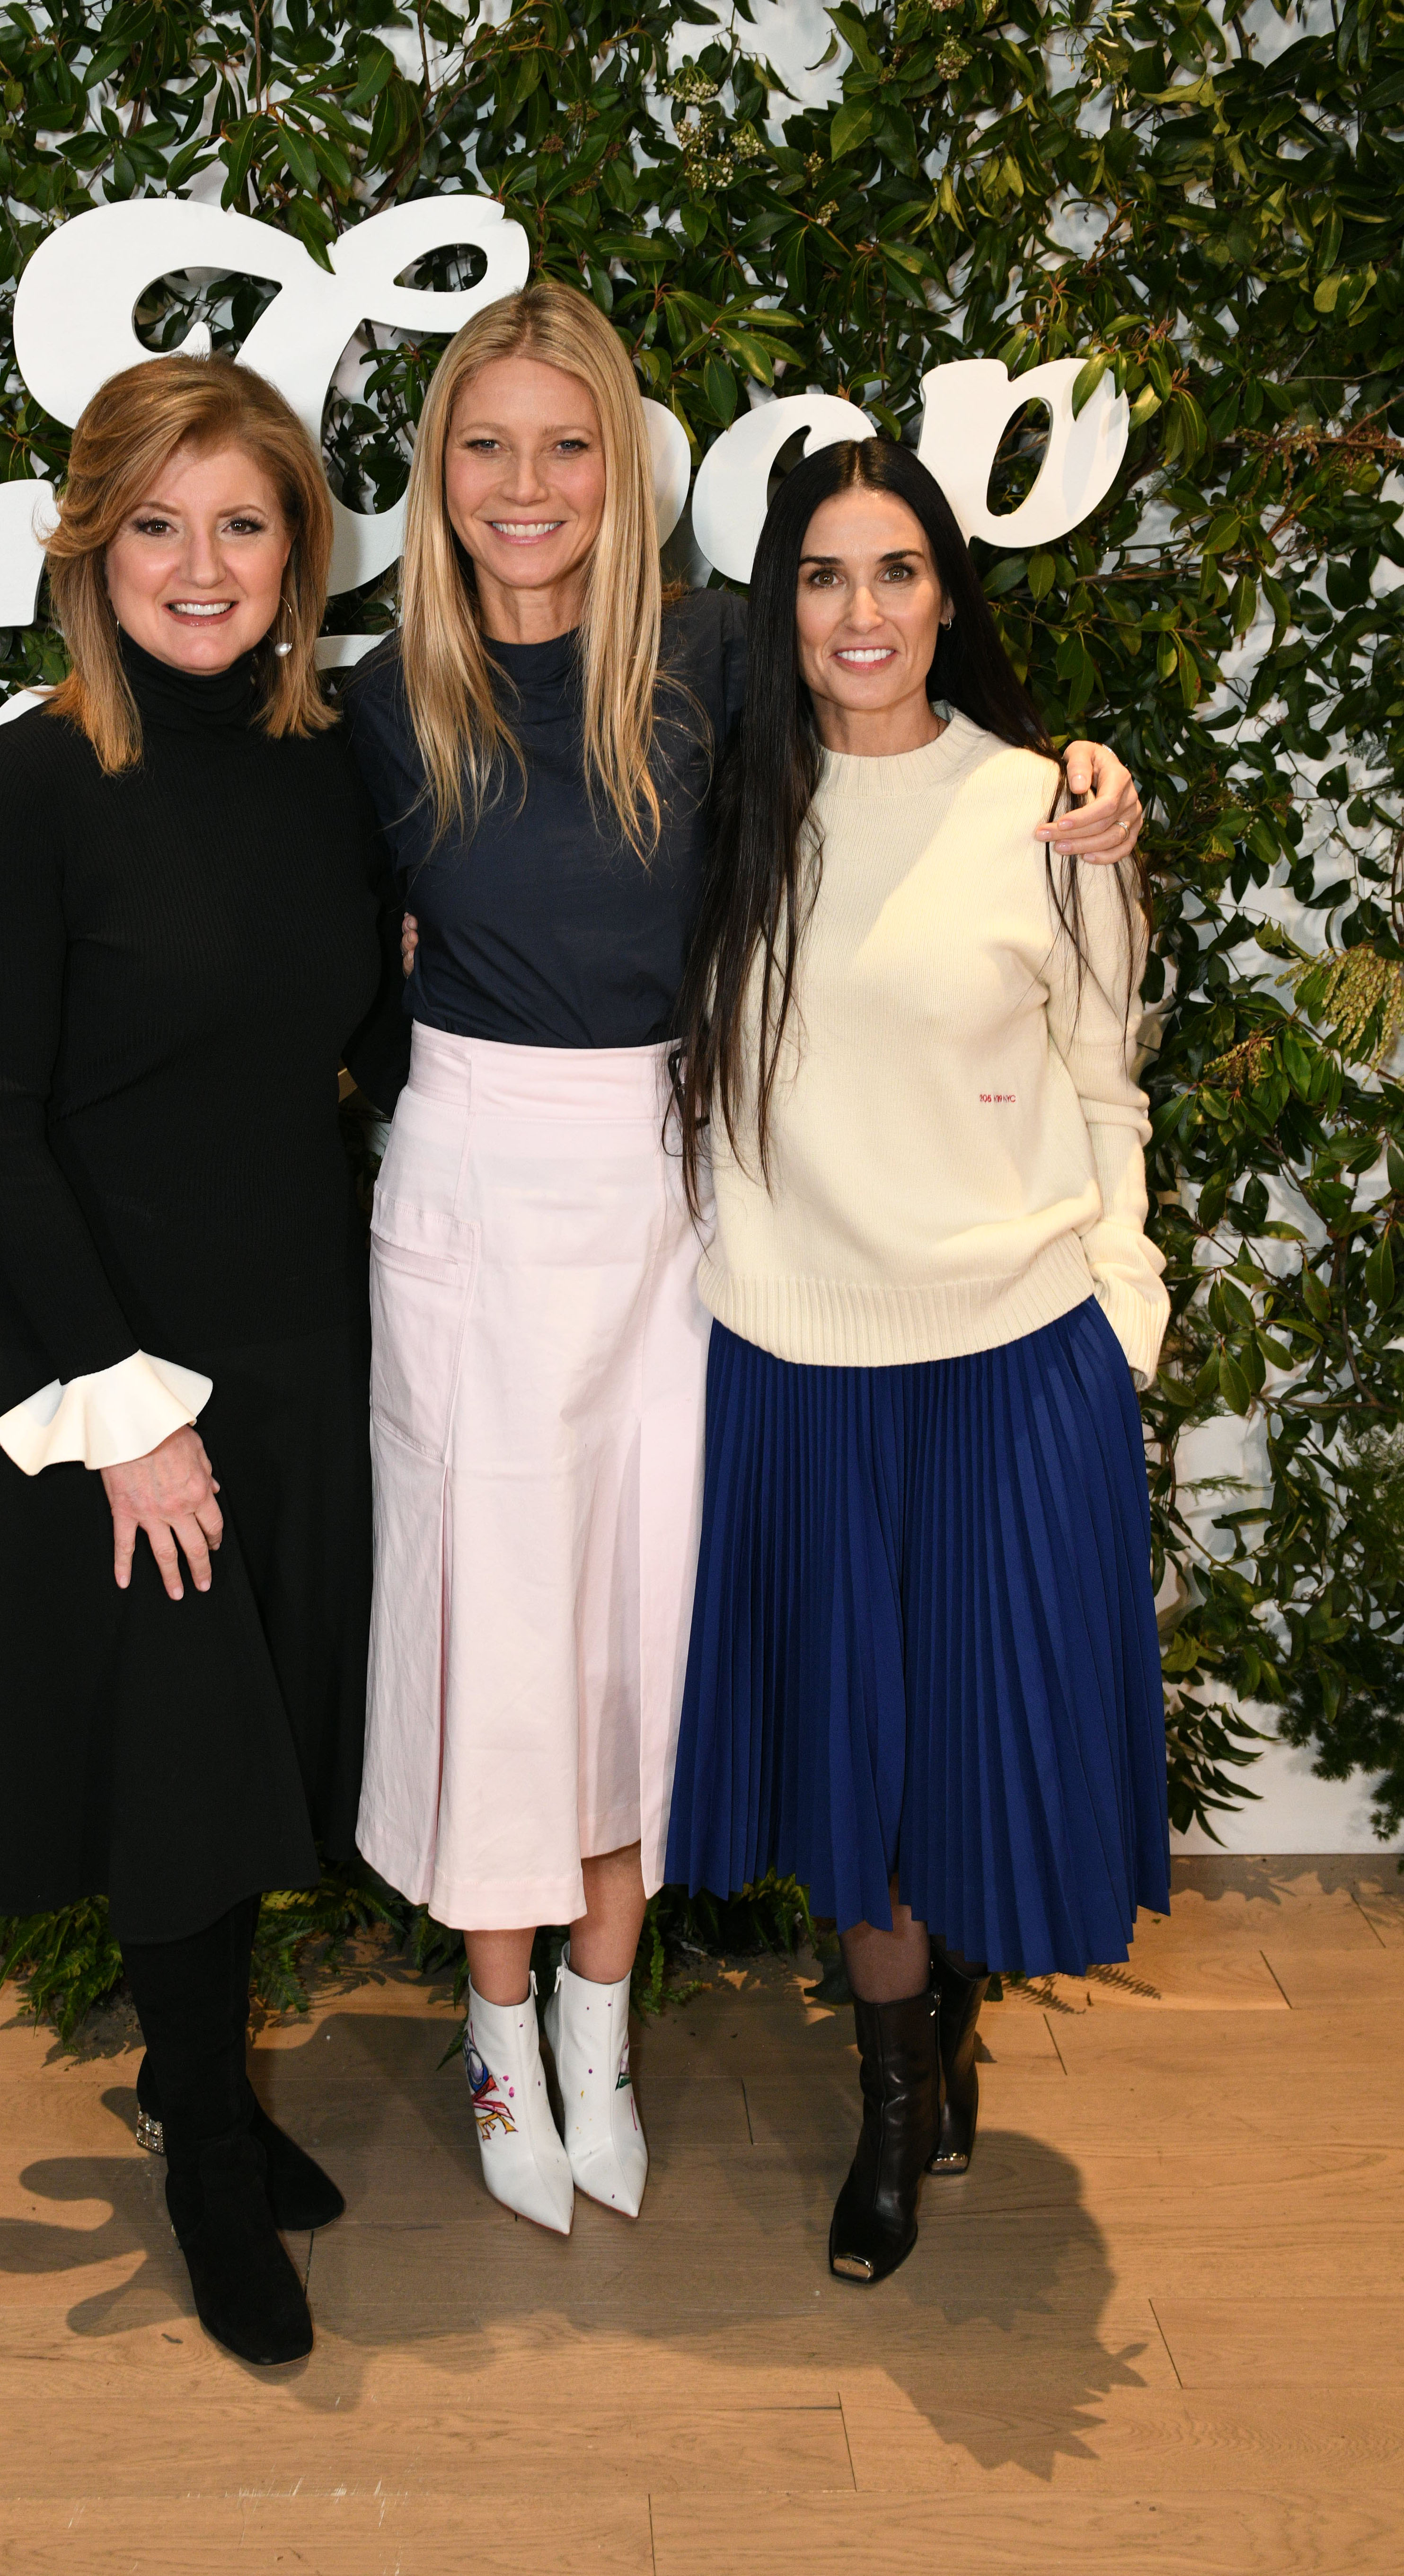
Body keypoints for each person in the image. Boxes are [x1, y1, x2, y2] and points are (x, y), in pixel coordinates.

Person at [345, 280, 1147, 2236]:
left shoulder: (707, 663)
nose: (526, 484)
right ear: (437, 474)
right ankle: (495, 2038)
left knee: (634, 1640)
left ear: (620, 470)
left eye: (566, 444)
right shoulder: (368, 699)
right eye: (485, 443)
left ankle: (609, 2037)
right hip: (473, 1199)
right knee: (489, 1643)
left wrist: (1083, 784)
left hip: (668, 1217)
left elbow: (927, 819)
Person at [0, 353, 408, 2366]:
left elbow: (344, 1024)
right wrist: (125, 1422)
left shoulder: (329, 755)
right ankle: (202, 2130)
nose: (202, 566)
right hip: (112, 1365)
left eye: (244, 522)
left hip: (296, 1327)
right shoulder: (34, 780)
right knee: (184, 1767)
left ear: (300, 550)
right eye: (159, 525)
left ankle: (207, 2079)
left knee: (255, 1736)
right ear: (91, 548)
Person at [667, 435, 1170, 2288]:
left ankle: (945, 2013)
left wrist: (1120, 1303)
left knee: (967, 1748)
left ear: (948, 594)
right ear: (776, 609)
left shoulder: (1046, 808)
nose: (858, 610)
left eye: (893, 571)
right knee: (858, 1771)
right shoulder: (724, 803)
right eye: (820, 574)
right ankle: (890, 2095)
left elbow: (1107, 1080)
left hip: (1008, 1351)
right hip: (792, 1358)